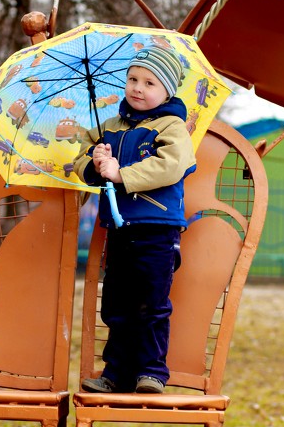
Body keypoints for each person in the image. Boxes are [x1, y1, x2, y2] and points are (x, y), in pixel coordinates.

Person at [73, 45, 196, 394]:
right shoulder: (110, 127)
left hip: (157, 229)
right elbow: (79, 160)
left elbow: (173, 165)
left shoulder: (171, 126)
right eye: (132, 79)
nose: (138, 88)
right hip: (120, 230)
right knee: (117, 304)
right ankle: (116, 373)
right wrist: (95, 163)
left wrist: (122, 173)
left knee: (151, 302)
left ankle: (152, 372)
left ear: (167, 91)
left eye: (149, 82)